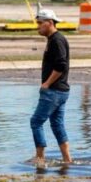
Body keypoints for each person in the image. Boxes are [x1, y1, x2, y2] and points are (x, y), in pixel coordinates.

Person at [30, 9, 72, 167]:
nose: (38, 27)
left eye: (40, 23)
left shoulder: (57, 40)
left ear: (50, 22)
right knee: (57, 124)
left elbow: (61, 65)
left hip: (54, 91)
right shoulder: (54, 39)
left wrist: (47, 84)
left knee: (36, 121)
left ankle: (40, 159)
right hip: (61, 91)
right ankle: (67, 160)